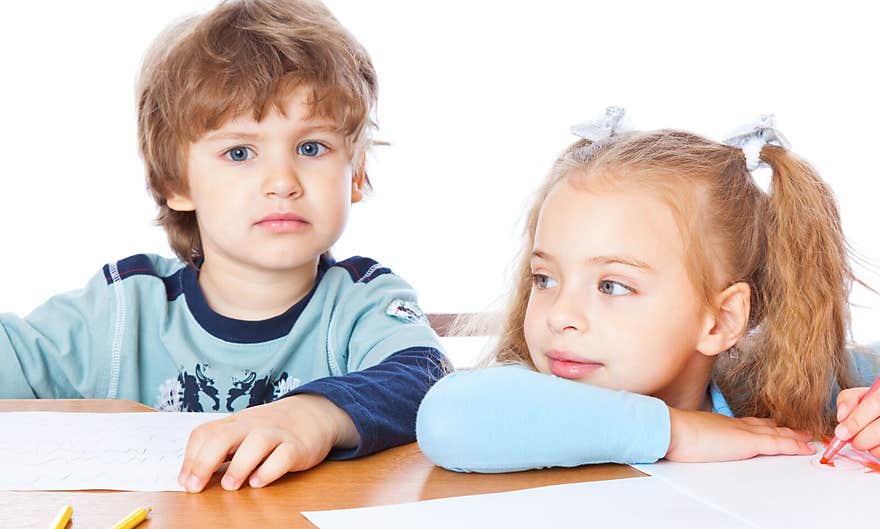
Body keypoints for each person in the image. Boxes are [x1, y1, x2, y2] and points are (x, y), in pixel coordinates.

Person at [0, 0, 448, 491]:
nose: (282, 181)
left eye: (311, 147)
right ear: (176, 181)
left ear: (355, 174)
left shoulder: (364, 303)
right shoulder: (124, 310)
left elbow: (426, 379)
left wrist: (315, 416)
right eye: (240, 152)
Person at [416, 108, 879, 473]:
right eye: (545, 279)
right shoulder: (515, 401)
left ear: (721, 319)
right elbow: (446, 419)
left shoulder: (777, 392)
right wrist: (677, 432)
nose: (560, 315)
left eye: (611, 285)